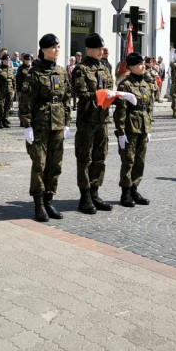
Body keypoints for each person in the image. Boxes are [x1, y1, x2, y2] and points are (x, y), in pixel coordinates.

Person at [20, 33, 71, 223]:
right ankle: (38, 203)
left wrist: (67, 122)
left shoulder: (61, 71)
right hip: (40, 124)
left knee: (55, 164)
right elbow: (25, 101)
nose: (57, 50)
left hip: (57, 123)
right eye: (53, 47)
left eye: (58, 47)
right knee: (39, 164)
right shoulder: (33, 73)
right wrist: (27, 126)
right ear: (44, 50)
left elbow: (66, 98)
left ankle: (49, 200)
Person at [71, 32, 115, 214]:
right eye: (98, 48)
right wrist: (102, 95)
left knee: (100, 157)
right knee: (85, 158)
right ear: (88, 49)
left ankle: (95, 192)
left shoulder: (105, 68)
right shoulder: (80, 69)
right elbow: (83, 94)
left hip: (102, 119)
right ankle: (85, 196)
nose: (100, 51)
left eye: (102, 48)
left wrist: (115, 96)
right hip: (87, 120)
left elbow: (109, 87)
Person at [113, 52, 154, 206]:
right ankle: (125, 193)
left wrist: (149, 128)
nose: (143, 66)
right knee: (128, 161)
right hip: (130, 127)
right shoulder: (125, 85)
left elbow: (149, 108)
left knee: (140, 161)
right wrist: (121, 132)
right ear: (130, 67)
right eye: (139, 64)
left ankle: (134, 189)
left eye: (143, 63)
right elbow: (121, 111)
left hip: (143, 127)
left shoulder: (146, 84)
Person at [0, 53, 15, 128]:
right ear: (2, 60)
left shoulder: (10, 68)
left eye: (8, 60)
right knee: (1, 106)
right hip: (1, 91)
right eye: (6, 60)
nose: (7, 61)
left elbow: (13, 80)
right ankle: (0, 121)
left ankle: (5, 120)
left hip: (10, 90)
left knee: (7, 106)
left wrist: (14, 90)